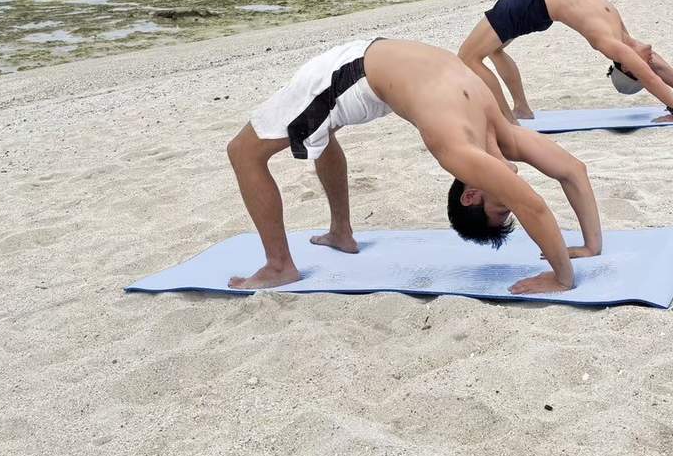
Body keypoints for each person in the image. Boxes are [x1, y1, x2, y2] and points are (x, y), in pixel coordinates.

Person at [225, 38, 602, 294]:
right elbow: (560, 181)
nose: (509, 189)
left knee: (248, 150)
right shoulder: (484, 138)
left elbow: (558, 181)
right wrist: (569, 270)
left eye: (499, 205)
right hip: (350, 69)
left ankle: (302, 253)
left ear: (471, 194)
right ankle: (308, 251)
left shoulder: (466, 143)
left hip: (366, 72)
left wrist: (581, 253)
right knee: (253, 149)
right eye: (503, 206)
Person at [458, 0, 673, 122]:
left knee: (469, 57)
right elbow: (654, 70)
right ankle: (520, 110)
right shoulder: (621, 40)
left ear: (627, 67)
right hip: (533, 2)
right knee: (492, 51)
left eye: (642, 65)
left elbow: (650, 75)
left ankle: (511, 120)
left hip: (531, 4)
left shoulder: (613, 43)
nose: (650, 59)